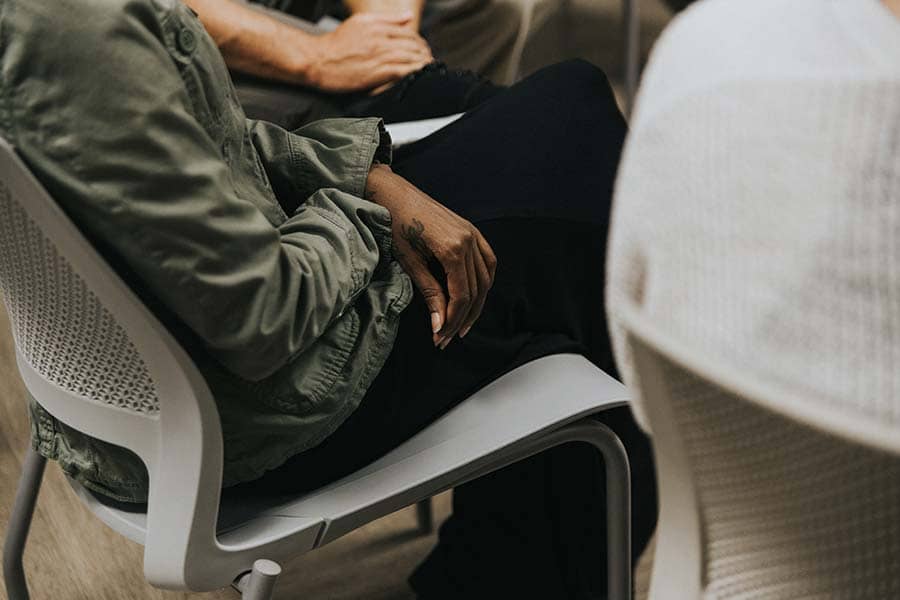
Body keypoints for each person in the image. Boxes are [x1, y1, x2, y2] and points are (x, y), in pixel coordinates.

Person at [4, 0, 656, 597]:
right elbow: (261, 316)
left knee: (558, 125)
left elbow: (202, 140)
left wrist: (368, 175)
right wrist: (358, 205)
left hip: (151, 377)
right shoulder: (73, 31)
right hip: (241, 412)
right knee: (578, 160)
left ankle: (504, 564)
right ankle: (529, 567)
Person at [184, 0, 550, 128]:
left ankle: (424, 108)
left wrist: (394, 37)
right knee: (322, 109)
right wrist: (317, 58)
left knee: (495, 9)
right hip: (174, 25)